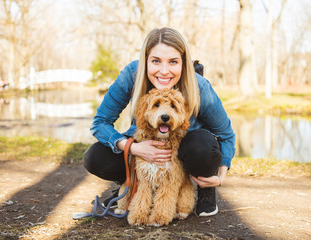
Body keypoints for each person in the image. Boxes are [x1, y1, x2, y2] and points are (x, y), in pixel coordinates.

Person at [83, 27, 236, 217]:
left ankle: (205, 186)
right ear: (145, 60)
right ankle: (132, 185)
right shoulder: (132, 75)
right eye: (156, 61)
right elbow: (100, 123)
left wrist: (220, 177)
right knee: (95, 157)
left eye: (173, 62)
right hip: (142, 146)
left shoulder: (199, 87)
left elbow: (226, 134)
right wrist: (132, 147)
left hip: (184, 150)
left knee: (201, 146)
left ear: (183, 63)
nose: (164, 71)